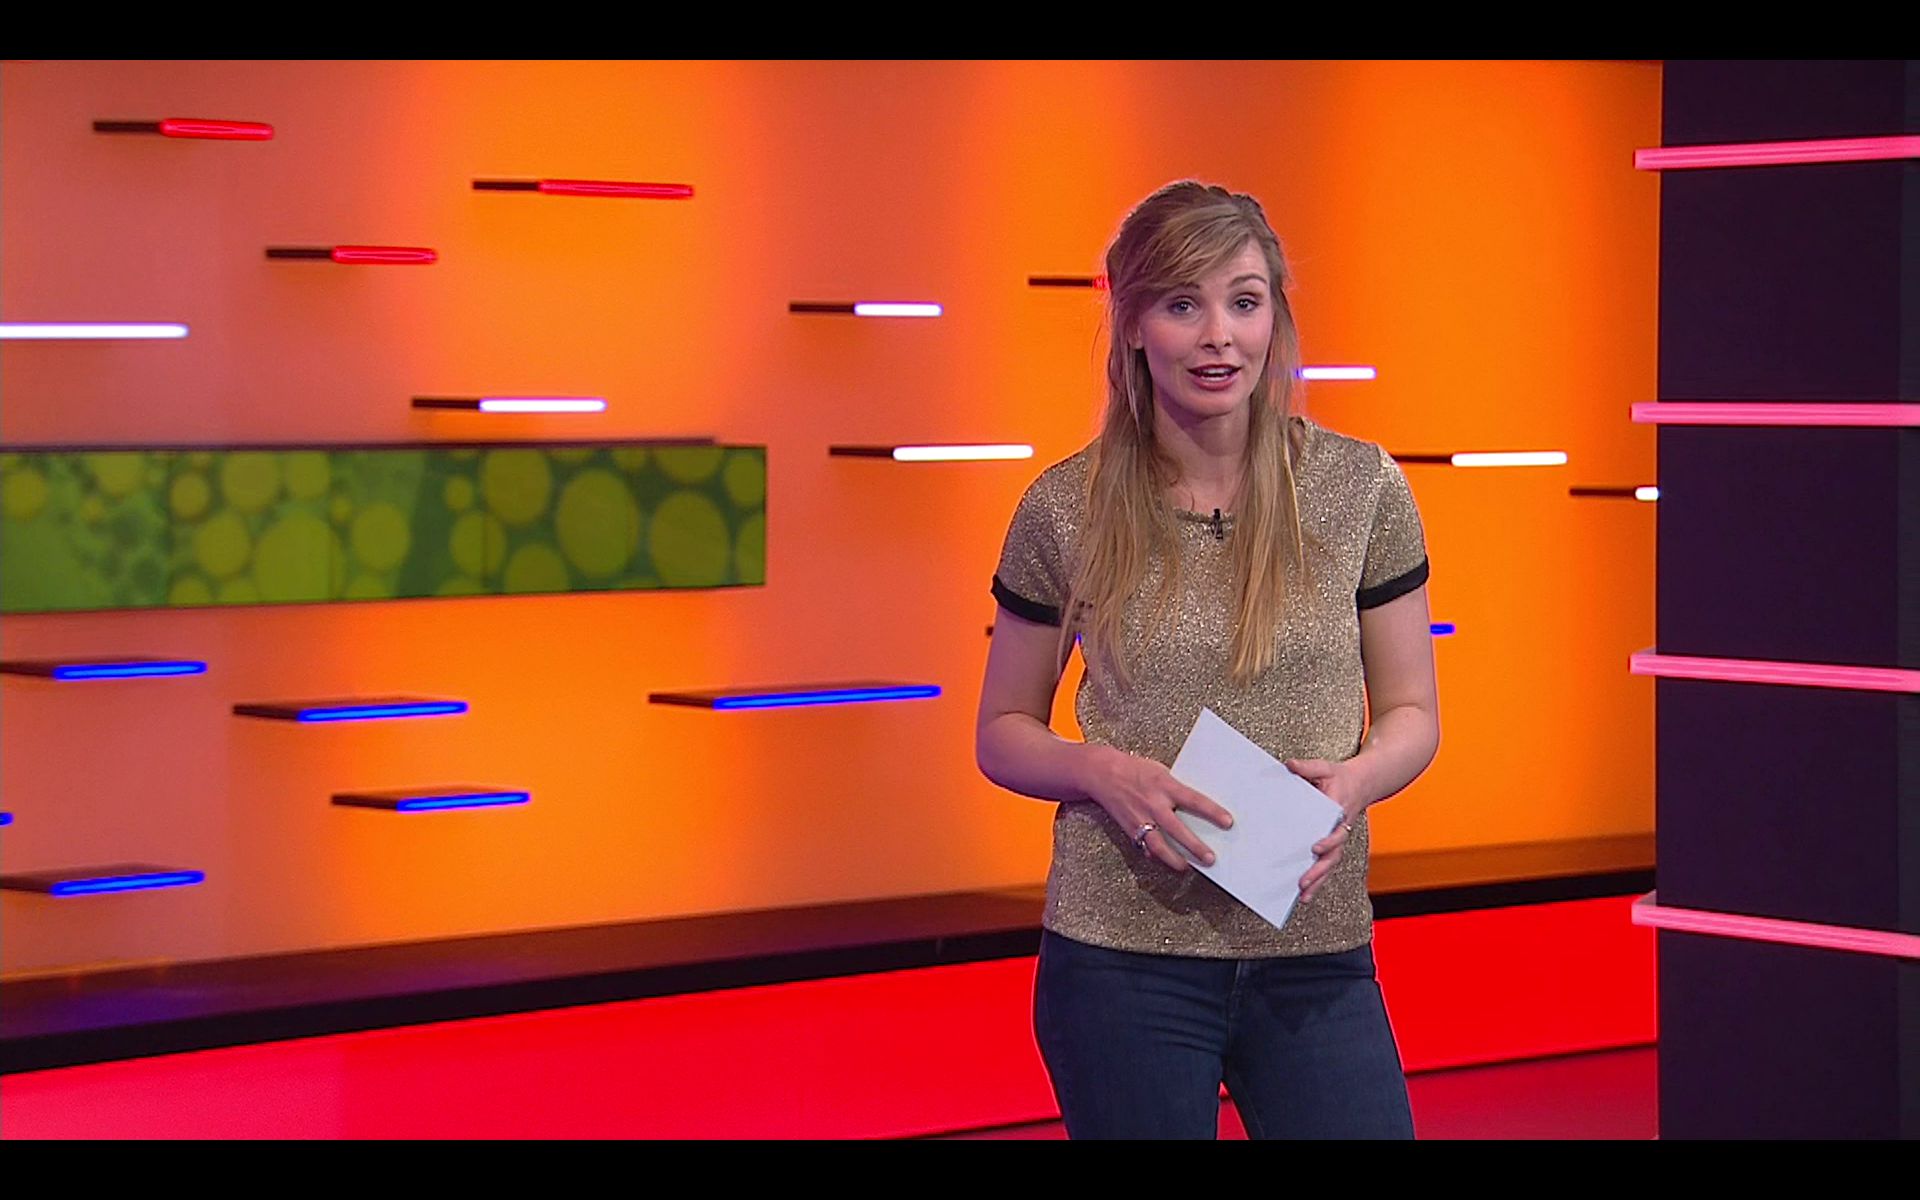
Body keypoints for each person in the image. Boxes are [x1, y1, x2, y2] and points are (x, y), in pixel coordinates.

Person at [975, 180, 1440, 1139]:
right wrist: (1101, 771)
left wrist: (1356, 782)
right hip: (1120, 961)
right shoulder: (1064, 508)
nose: (1218, 336)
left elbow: (1413, 715)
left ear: (1276, 317)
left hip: (1313, 952)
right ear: (1133, 325)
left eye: (1244, 301)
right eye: (1182, 305)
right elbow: (1003, 731)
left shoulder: (1362, 488)